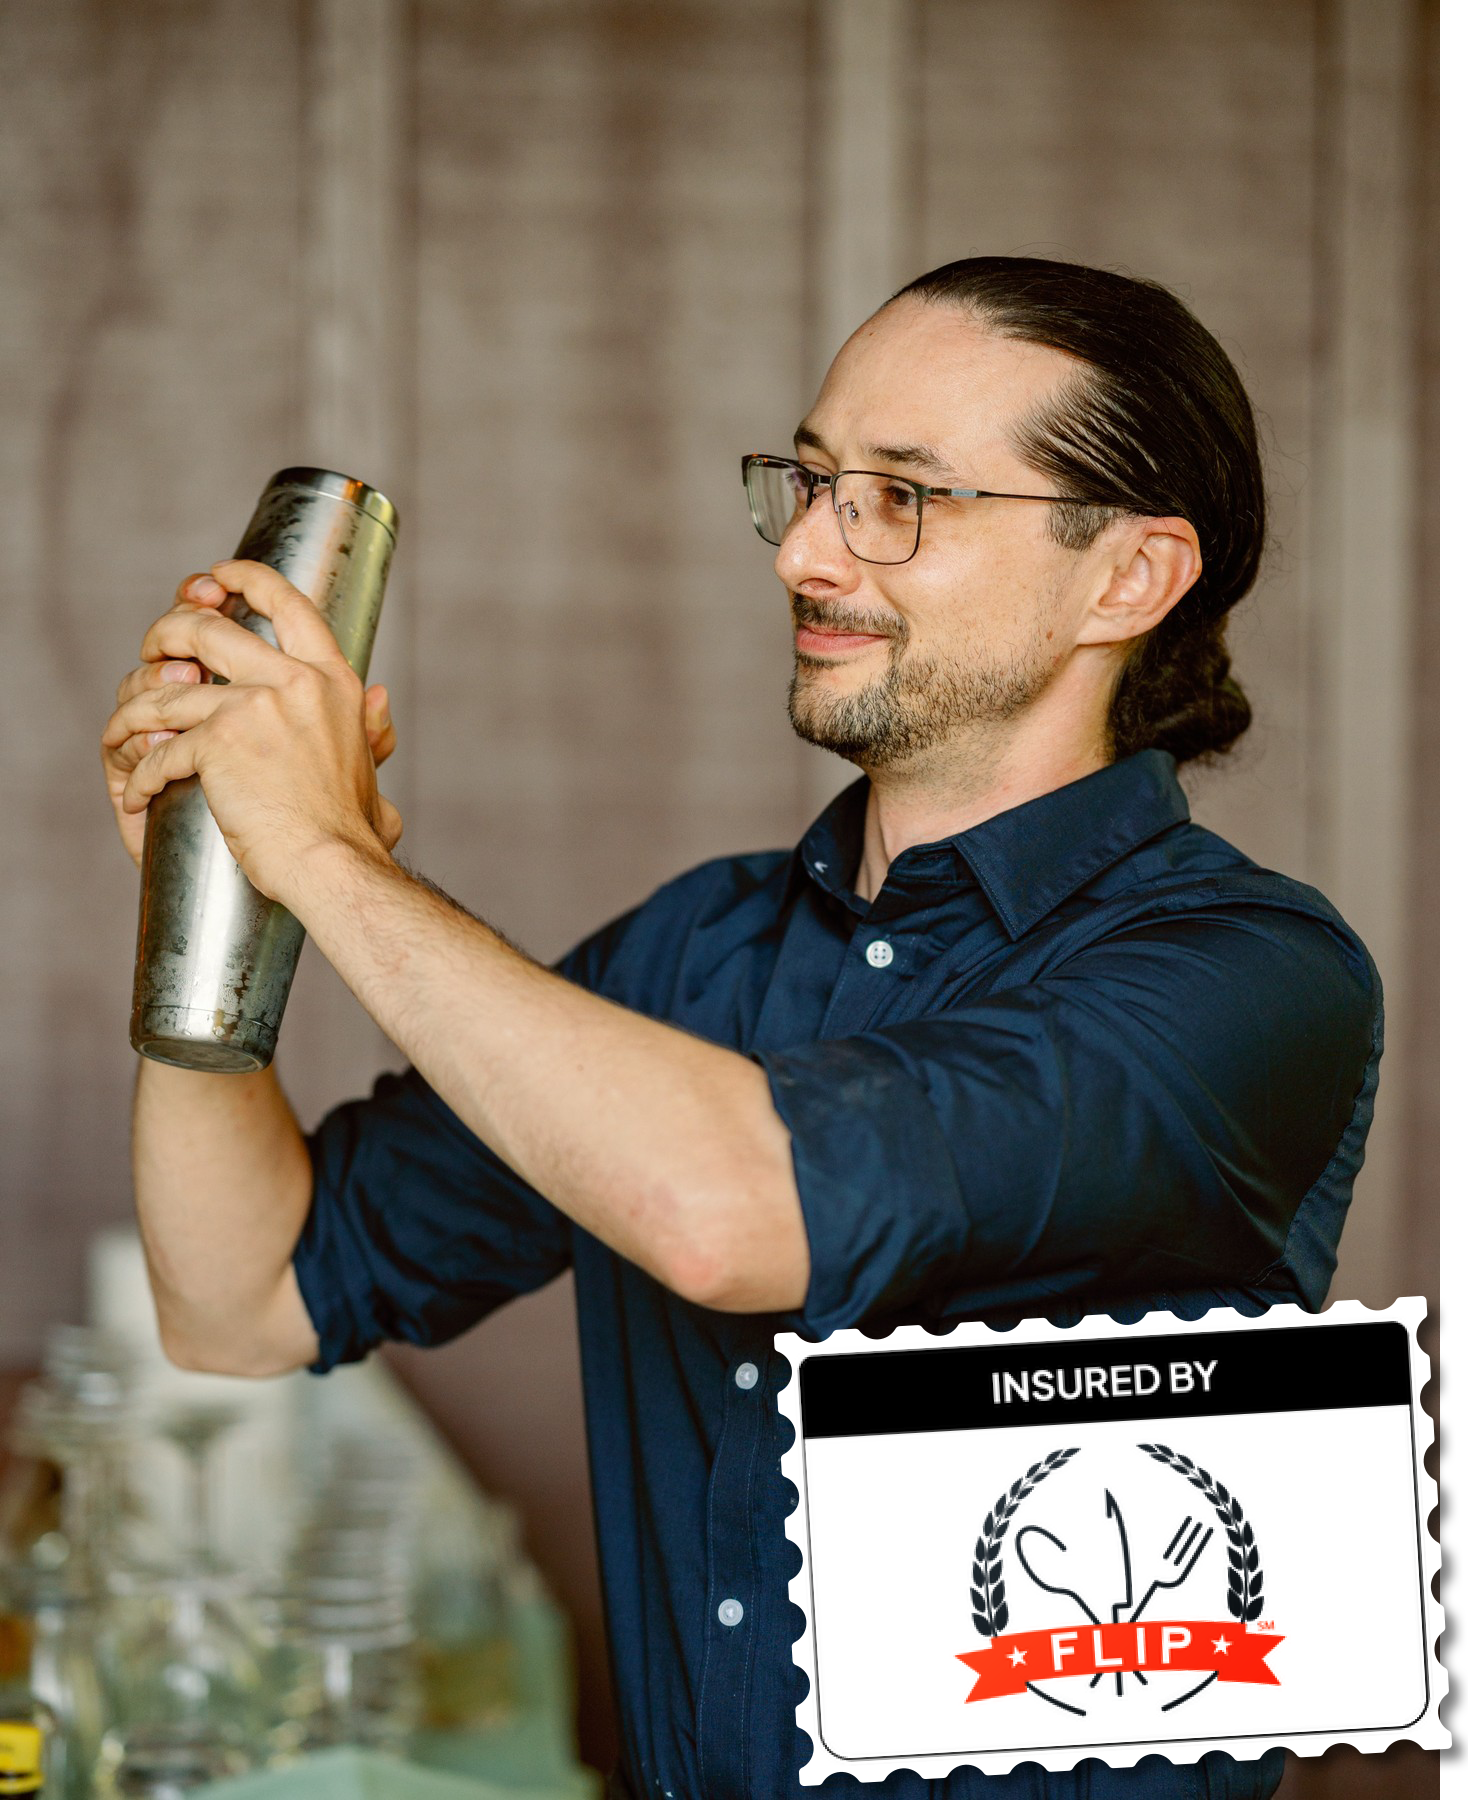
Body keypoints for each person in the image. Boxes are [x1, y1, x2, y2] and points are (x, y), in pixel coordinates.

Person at [100, 257, 1378, 1799]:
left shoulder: (1249, 977)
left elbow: (732, 1214)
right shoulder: (700, 950)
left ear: (1129, 575)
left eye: (904, 497)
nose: (808, 553)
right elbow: (240, 1298)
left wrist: (328, 854)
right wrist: (217, 904)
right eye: (814, 480)